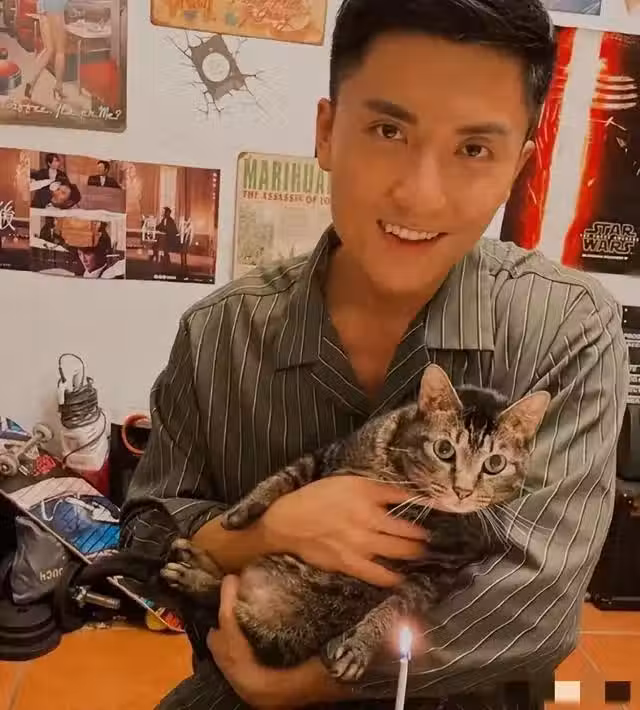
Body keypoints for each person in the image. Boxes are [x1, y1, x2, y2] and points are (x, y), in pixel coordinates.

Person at [121, 0, 629, 708]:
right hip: (237, 677)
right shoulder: (219, 333)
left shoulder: (567, 329)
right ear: (327, 133)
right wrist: (266, 530)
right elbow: (145, 529)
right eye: (389, 130)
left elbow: (534, 603)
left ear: (518, 167)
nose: (420, 194)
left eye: (473, 149)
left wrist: (298, 686)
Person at [24, 0, 70, 103]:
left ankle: (31, 82)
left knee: (48, 49)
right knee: (60, 50)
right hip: (55, 5)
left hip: (42, 5)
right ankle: (58, 87)